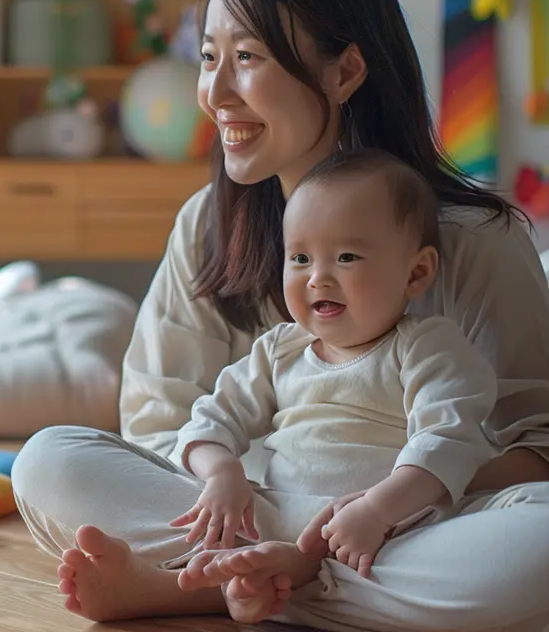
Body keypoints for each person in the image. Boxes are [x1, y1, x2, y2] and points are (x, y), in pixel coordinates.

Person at [10, 0, 549, 632]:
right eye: (209, 57)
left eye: (247, 57)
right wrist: (242, 484)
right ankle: (277, 577)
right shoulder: (207, 226)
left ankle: (219, 586)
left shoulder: (471, 241)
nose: (216, 92)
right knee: (48, 460)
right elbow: (161, 424)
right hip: (250, 512)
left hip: (406, 530)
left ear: (344, 72)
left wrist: (390, 496)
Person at [170, 148, 500, 611]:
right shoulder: (279, 350)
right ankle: (274, 575)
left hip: (384, 535)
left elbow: (447, 440)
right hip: (274, 517)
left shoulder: (426, 347)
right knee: (69, 452)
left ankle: (266, 582)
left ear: (417, 272)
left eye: (346, 257)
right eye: (300, 258)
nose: (317, 278)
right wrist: (223, 474)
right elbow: (208, 422)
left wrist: (377, 511)